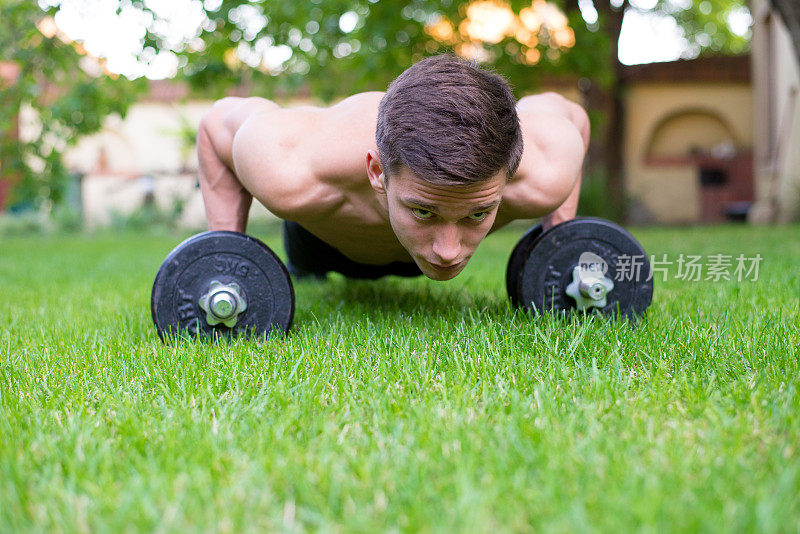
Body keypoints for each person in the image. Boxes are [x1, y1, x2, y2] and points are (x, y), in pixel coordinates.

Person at [196, 54, 588, 281]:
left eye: (477, 214)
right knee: (305, 260)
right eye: (423, 210)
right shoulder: (292, 167)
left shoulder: (546, 170)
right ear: (377, 172)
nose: (449, 251)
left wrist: (558, 249)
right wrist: (225, 261)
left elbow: (573, 115)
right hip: (325, 241)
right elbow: (217, 124)